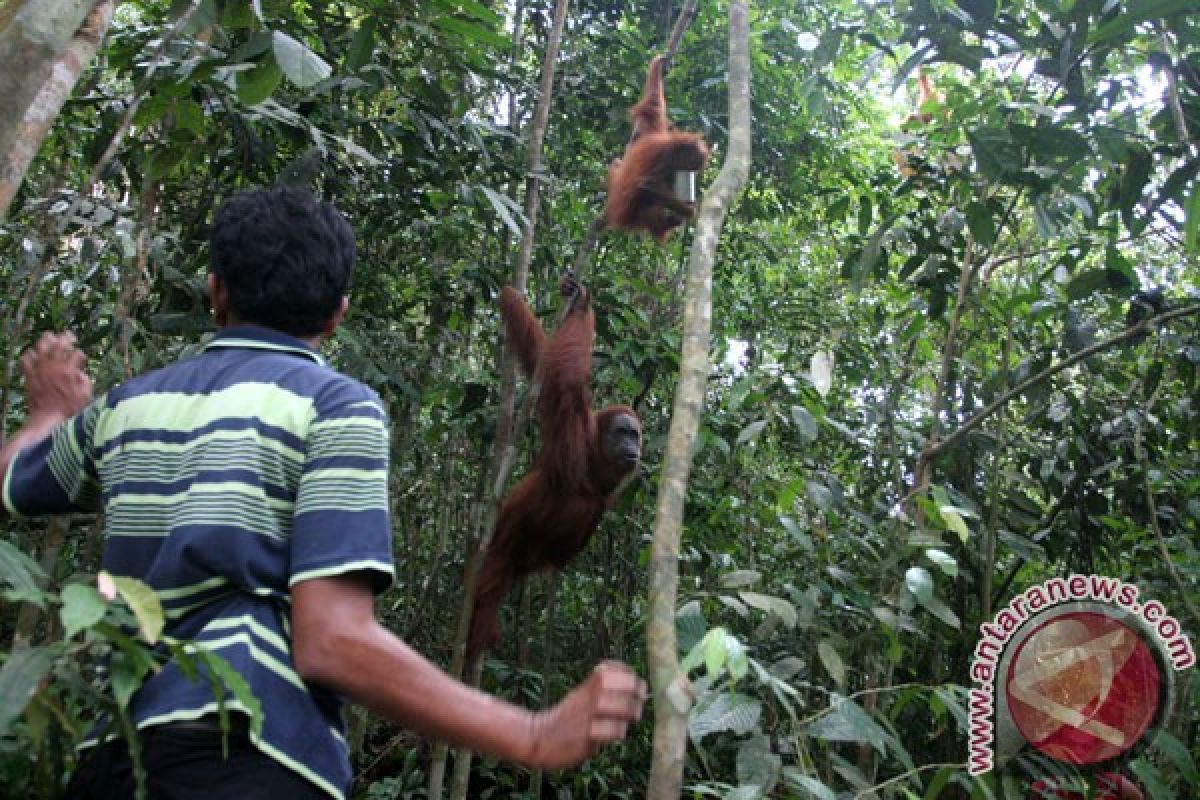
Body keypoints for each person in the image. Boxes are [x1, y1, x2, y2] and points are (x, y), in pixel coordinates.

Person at [0, 187, 646, 800]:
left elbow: (13, 483)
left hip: (115, 756)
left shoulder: (127, 406)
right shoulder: (333, 406)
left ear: (215, 290)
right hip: (255, 752)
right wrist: (531, 733)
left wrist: (47, 414)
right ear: (338, 313)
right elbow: (331, 639)